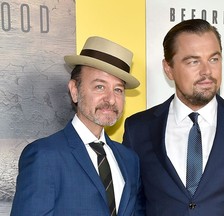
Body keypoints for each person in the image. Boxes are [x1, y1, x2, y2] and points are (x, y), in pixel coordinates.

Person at [123, 19, 224, 215]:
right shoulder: (138, 129)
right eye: (193, 61)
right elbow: (133, 206)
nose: (207, 71)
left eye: (214, 59)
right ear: (168, 69)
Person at [11, 36, 145, 216]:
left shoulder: (130, 160)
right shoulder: (44, 156)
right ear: (74, 91)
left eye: (118, 90)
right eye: (99, 87)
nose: (111, 99)